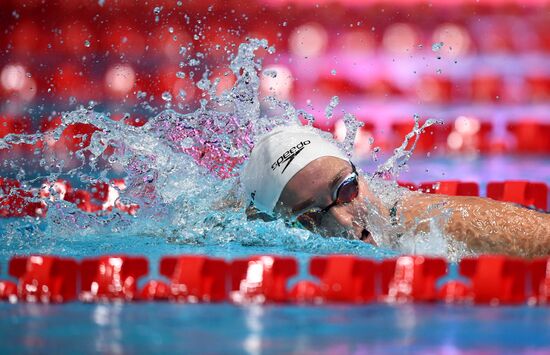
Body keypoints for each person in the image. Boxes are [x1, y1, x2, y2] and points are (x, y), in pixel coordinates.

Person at [241, 125, 550, 258]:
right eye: (309, 217)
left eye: (347, 189)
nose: (345, 221)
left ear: (360, 176)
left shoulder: (437, 221)